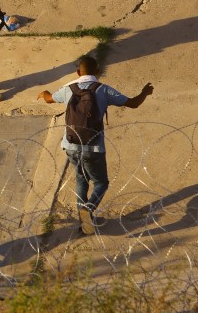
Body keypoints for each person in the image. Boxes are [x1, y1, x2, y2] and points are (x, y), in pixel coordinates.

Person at [36, 55, 154, 235]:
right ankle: (88, 210)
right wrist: (144, 92)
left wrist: (44, 93)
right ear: (98, 72)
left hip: (71, 145)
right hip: (93, 147)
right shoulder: (103, 90)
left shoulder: (69, 88)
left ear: (78, 72)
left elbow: (49, 99)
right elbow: (133, 103)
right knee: (101, 182)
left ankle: (83, 223)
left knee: (81, 179)